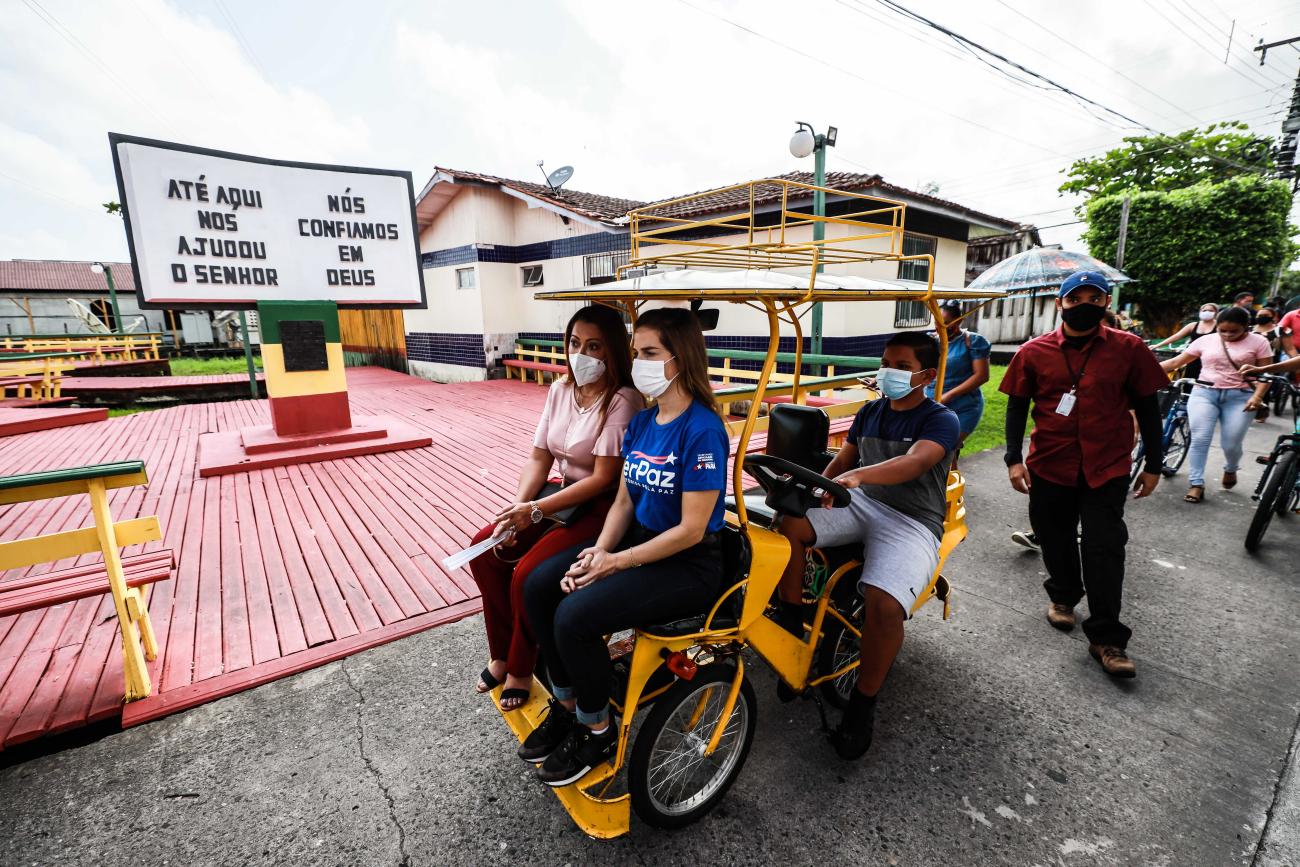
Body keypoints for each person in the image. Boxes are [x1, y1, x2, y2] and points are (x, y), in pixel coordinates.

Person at [520, 306, 730, 786]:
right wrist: (600, 551)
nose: (639, 364)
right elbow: (622, 501)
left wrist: (615, 563)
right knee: (539, 586)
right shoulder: (645, 421)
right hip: (637, 545)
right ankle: (568, 704)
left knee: (574, 617)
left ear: (680, 359)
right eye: (637, 353)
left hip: (686, 564)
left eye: (650, 353)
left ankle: (597, 729)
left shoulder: (702, 430)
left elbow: (691, 530)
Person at [774, 331, 959, 760]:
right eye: (886, 363)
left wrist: (859, 475)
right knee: (787, 523)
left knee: (885, 604)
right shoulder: (871, 411)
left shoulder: (940, 419)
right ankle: (791, 621)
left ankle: (862, 704)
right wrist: (821, 486)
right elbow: (844, 459)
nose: (890, 372)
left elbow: (915, 462)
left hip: (912, 520)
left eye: (903, 366)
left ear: (927, 375)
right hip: (863, 502)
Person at [468, 305, 642, 710]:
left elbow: (603, 478)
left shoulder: (623, 399)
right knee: (486, 549)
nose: (581, 354)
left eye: (594, 346)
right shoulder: (560, 390)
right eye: (575, 343)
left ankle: (520, 666)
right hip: (557, 497)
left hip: (599, 507)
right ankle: (501, 653)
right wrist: (518, 509)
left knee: (527, 574)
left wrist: (534, 510)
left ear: (613, 350)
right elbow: (539, 456)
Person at [1001, 270, 1169, 679]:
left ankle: (1107, 638)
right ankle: (1063, 595)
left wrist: (1154, 464)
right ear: (1060, 303)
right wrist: (1013, 458)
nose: (1084, 305)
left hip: (1106, 466)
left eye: (1095, 299)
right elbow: (1017, 406)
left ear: (1107, 303)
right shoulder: (1034, 351)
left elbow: (1148, 408)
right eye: (1075, 299)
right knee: (1054, 535)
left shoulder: (1130, 348)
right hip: (1050, 463)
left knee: (1105, 548)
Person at [1159, 307, 1272, 502]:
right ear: (1217, 326)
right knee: (1200, 439)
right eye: (1222, 330)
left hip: (1241, 396)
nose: (1227, 335)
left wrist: (1258, 396)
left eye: (1234, 331)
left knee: (1231, 443)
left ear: (1246, 326)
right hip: (1204, 393)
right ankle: (1196, 483)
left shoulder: (1259, 342)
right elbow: (1176, 362)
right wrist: (1139, 370)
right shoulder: (1205, 340)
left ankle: (1231, 468)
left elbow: (1266, 373)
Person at [925, 300, 990, 449]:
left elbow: (981, 376)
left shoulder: (973, 342)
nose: (941, 327)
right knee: (935, 448)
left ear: (959, 320)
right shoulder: (930, 341)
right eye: (937, 322)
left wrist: (948, 396)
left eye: (946, 323)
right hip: (932, 404)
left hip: (964, 406)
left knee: (947, 446)